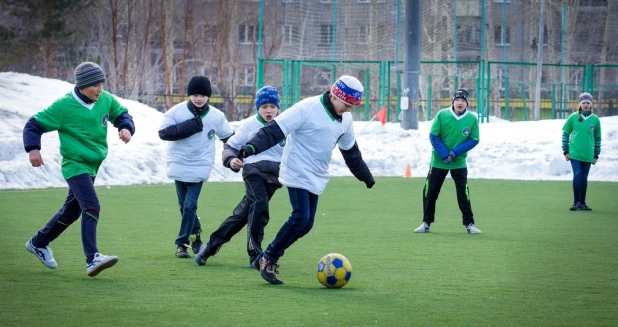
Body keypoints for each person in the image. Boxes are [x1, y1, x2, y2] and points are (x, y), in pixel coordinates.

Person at [237, 75, 375, 284]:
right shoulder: (307, 108)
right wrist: (251, 147)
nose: (349, 109)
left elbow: (351, 152)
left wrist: (366, 176)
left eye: (352, 106)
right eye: (347, 104)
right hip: (296, 169)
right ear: (335, 96)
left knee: (307, 224)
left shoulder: (346, 120)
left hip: (317, 174)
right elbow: (274, 130)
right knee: (300, 217)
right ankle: (268, 258)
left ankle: (268, 256)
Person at [23, 61, 135, 277]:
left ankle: (39, 242)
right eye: (95, 85)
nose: (100, 88)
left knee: (72, 211)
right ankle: (92, 258)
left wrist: (125, 128)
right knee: (91, 205)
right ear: (82, 85)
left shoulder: (105, 99)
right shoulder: (64, 107)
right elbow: (33, 125)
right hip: (75, 165)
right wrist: (33, 149)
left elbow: (122, 114)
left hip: (93, 164)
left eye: (102, 83)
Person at [195, 85, 283, 268]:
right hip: (253, 173)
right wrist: (231, 160)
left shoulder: (285, 124)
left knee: (241, 216)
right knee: (260, 206)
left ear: (278, 108)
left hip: (274, 178)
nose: (269, 110)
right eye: (264, 106)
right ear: (258, 108)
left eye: (272, 107)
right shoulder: (249, 125)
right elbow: (230, 146)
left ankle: (209, 247)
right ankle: (256, 255)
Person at [158, 76, 234, 258]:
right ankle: (197, 238)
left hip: (201, 164)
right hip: (179, 163)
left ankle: (181, 244)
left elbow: (229, 138)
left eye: (203, 95)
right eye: (195, 94)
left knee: (190, 205)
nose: (199, 98)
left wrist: (237, 155)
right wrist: (191, 126)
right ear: (189, 95)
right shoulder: (176, 112)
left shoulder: (216, 116)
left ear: (208, 96)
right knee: (184, 206)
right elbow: (163, 133)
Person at [414, 89, 481, 234]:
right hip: (439, 161)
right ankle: (426, 223)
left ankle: (469, 224)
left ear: (467, 103)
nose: (460, 102)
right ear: (453, 101)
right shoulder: (442, 115)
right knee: (430, 191)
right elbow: (434, 136)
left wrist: (454, 153)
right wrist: (445, 155)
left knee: (463, 192)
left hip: (459, 162)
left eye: (463, 100)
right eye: (457, 100)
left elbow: (474, 139)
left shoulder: (472, 119)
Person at [562, 92, 602, 211]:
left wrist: (596, 154)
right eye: (583, 103)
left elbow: (598, 138)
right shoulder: (573, 117)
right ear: (579, 104)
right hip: (574, 153)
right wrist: (565, 150)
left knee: (584, 177)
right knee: (578, 175)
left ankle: (583, 203)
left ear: (590, 105)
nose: (585, 105)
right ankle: (576, 203)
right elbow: (565, 134)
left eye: (587, 103)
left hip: (588, 154)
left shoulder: (595, 120)